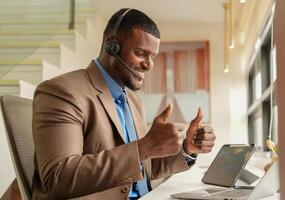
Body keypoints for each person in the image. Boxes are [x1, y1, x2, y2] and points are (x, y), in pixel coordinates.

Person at [32, 8, 216, 200]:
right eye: (140, 53)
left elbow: (143, 169)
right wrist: (145, 147)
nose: (149, 65)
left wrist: (187, 148)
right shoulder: (63, 91)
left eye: (152, 56)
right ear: (111, 46)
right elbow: (59, 178)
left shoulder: (133, 101)